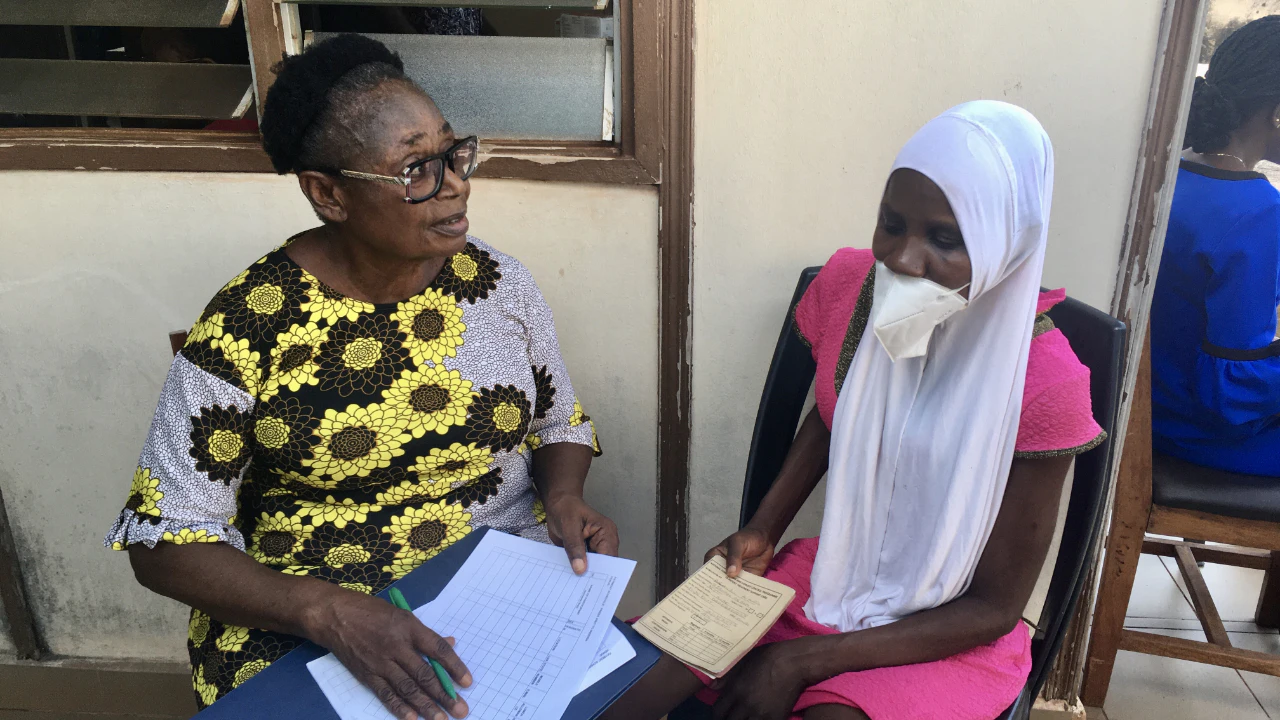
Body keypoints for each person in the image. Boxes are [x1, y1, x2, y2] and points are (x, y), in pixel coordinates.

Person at [104, 34, 615, 718]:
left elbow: (559, 421)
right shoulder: (249, 324)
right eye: (415, 169)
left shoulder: (497, 283)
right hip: (304, 610)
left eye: (452, 154)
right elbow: (164, 541)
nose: (456, 183)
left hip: (494, 582)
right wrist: (329, 612)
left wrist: (562, 496)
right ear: (328, 194)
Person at [605, 101, 1104, 720]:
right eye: (890, 223)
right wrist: (764, 528)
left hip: (949, 628)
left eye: (946, 239)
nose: (902, 258)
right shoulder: (860, 288)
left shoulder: (1043, 380)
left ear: (1008, 239)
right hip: (836, 574)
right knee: (631, 683)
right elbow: (834, 409)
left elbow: (996, 609)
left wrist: (801, 661)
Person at [1150, 15, 1280, 477]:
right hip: (1199, 431)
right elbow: (1229, 390)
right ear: (1275, 112)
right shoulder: (1258, 211)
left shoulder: (1173, 174)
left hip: (1152, 410)